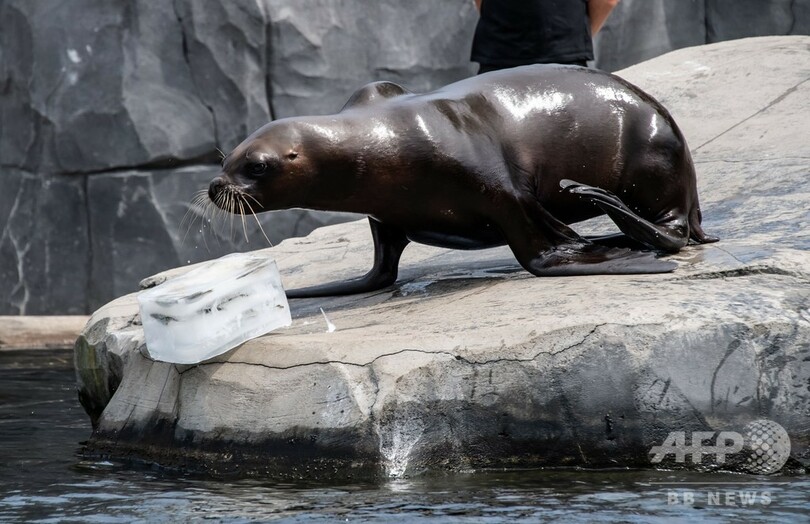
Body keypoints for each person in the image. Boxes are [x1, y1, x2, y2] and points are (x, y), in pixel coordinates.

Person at [471, 0, 620, 73]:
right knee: (563, 130)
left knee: (494, 131)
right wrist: (578, 37)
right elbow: (607, 1)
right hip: (564, 59)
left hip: (498, 54)